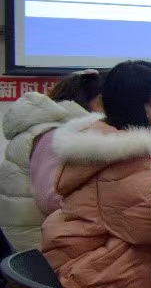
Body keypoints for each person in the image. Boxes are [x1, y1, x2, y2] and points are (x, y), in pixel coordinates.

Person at [1, 61, 151, 288]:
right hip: (99, 286)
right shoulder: (126, 163)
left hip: (81, 268)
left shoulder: (104, 149)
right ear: (143, 105)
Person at [0, 71, 102, 252]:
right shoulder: (53, 135)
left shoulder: (44, 129)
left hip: (33, 238)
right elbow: (54, 198)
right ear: (96, 102)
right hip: (39, 247)